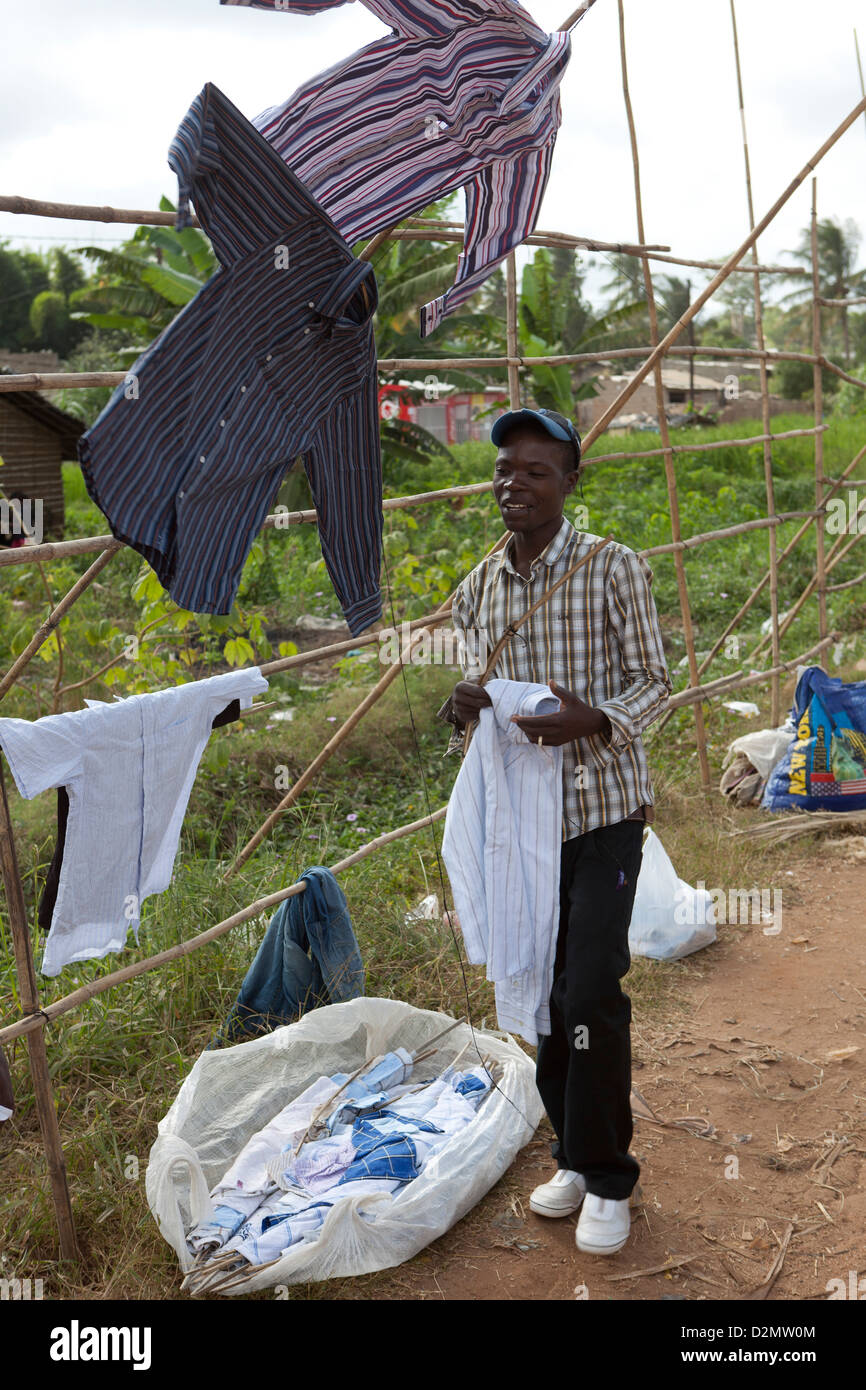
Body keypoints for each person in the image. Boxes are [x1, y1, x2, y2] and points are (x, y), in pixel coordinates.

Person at [440, 407, 671, 1256]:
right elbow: (478, 707)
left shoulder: (613, 568)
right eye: (504, 469)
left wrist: (594, 718)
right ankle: (571, 1156)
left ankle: (609, 1176)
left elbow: (656, 684)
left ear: (571, 481)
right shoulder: (479, 587)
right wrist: (463, 707)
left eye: (537, 471)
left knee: (589, 993)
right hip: (519, 831)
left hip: (601, 816)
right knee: (539, 990)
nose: (515, 484)